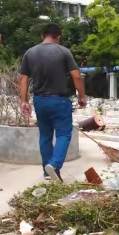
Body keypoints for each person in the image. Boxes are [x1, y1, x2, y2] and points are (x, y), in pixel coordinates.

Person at [19, 23, 86, 182]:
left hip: (39, 100)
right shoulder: (64, 51)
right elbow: (76, 76)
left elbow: (23, 78)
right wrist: (82, 96)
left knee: (45, 135)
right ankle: (54, 166)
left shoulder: (30, 52)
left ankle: (47, 173)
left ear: (42, 36)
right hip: (59, 100)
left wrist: (24, 101)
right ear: (59, 37)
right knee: (63, 134)